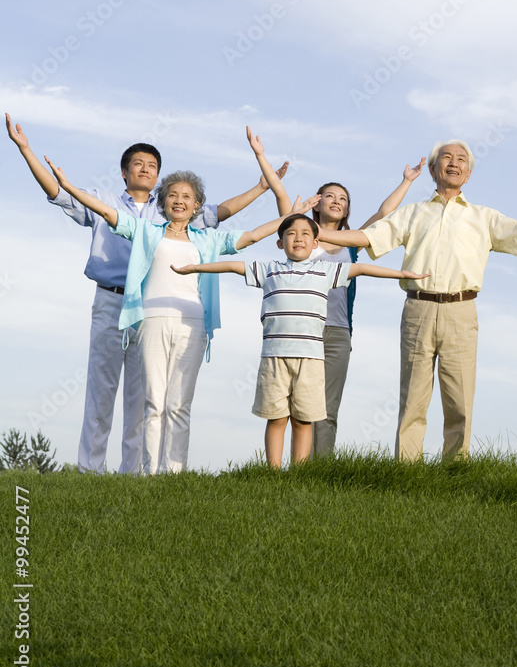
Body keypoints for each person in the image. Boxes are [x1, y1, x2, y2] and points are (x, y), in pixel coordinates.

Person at [6, 111, 286, 473]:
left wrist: (263, 188)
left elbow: (222, 218)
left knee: (145, 396)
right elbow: (59, 192)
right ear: (124, 171)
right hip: (111, 298)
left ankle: (135, 472)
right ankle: (90, 469)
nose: (144, 169)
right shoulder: (110, 203)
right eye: (137, 163)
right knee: (101, 389)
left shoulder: (170, 208)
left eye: (152, 165)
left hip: (153, 308)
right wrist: (26, 150)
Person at [316, 139, 517, 460]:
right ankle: (406, 470)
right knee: (413, 397)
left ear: (468, 174)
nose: (454, 163)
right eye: (446, 158)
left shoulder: (483, 218)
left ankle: (456, 469)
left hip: (462, 311)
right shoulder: (412, 214)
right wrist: (314, 232)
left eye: (461, 160)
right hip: (418, 309)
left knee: (459, 399)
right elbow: (365, 236)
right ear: (432, 169)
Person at [172, 212, 429, 466]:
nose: (298, 238)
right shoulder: (268, 270)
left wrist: (402, 274)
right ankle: (272, 473)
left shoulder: (326, 271)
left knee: (303, 419)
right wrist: (194, 268)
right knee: (276, 417)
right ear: (279, 242)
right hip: (274, 357)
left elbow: (361, 268)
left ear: (315, 243)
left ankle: (299, 472)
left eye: (306, 234)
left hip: (311, 358)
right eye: (291, 234)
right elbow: (231, 266)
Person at [307, 165, 426, 455]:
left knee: (327, 408)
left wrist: (406, 181)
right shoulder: (301, 239)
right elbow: (285, 213)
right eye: (330, 196)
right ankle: (295, 467)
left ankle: (319, 469)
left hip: (337, 332)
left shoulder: (353, 245)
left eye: (343, 199)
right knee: (299, 405)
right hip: (302, 330)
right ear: (317, 202)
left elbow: (383, 214)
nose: (336, 201)